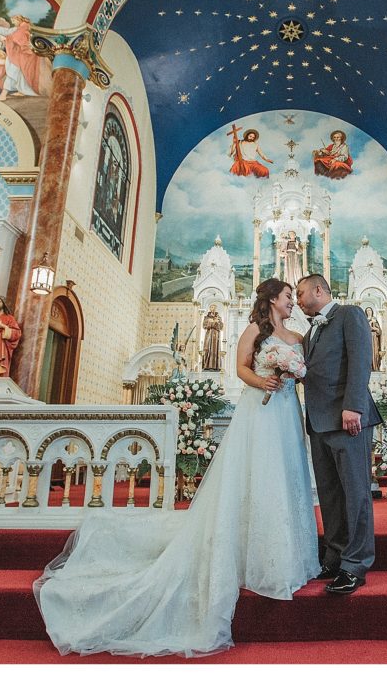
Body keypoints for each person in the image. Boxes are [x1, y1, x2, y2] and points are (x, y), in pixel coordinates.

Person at [35, 278, 319, 656]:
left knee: (286, 479)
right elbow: (241, 369)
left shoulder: (298, 336)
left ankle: (284, 553)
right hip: (261, 413)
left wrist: (291, 375)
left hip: (286, 413)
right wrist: (264, 381)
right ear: (271, 299)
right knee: (259, 476)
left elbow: (305, 371)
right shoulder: (254, 330)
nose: (291, 302)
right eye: (287, 296)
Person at [296, 273, 382, 595]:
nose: (299, 299)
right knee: (331, 495)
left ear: (319, 289)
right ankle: (334, 556)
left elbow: (361, 362)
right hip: (319, 423)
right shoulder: (309, 333)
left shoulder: (349, 314)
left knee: (356, 493)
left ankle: (355, 565)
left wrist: (354, 407)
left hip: (348, 420)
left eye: (302, 292)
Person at [0, 16, 45, 100]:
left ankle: (3, 95)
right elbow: (9, 32)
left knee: (12, 73)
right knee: (20, 74)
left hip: (19, 55)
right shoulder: (20, 28)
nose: (13, 22)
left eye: (14, 20)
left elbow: (14, 36)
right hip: (19, 54)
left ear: (19, 20)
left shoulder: (23, 28)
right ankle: (22, 90)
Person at [201, 304, 223, 371]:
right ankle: (207, 365)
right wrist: (213, 322)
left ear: (215, 308)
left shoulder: (218, 317)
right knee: (207, 348)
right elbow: (204, 325)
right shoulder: (206, 317)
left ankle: (215, 366)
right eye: (211, 307)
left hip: (216, 335)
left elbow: (221, 327)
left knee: (215, 349)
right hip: (209, 334)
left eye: (213, 307)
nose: (212, 308)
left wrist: (216, 322)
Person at [365, 306, 383, 371]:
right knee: (368, 352)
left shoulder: (375, 319)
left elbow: (379, 331)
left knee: (375, 352)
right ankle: (369, 368)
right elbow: (364, 329)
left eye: (370, 310)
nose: (369, 312)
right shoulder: (365, 320)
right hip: (368, 338)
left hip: (374, 338)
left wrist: (374, 328)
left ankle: (375, 367)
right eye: (367, 310)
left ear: (372, 311)